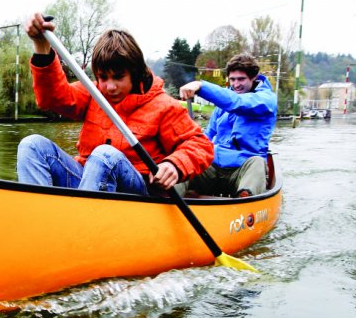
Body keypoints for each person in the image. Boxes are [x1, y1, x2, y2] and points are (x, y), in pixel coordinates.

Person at [17, 13, 213, 196]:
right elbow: (52, 98)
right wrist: (41, 46)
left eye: (118, 77)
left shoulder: (164, 106)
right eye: (103, 77)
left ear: (135, 74)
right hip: (88, 183)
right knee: (32, 145)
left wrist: (175, 165)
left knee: (106, 155)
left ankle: (82, 223)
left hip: (137, 192)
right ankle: (40, 217)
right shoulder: (93, 93)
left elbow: (201, 145)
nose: (109, 87)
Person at [178, 53, 277, 198]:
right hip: (215, 168)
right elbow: (207, 137)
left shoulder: (266, 100)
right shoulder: (223, 102)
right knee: (186, 161)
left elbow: (237, 102)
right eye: (232, 79)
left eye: (241, 79)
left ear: (254, 77)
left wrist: (201, 86)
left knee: (257, 163)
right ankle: (166, 199)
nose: (236, 84)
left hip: (244, 168)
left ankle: (244, 203)